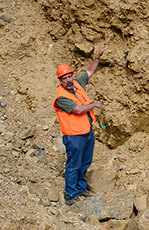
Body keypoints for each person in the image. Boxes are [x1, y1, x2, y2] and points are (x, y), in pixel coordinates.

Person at [53, 46, 109, 205]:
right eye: (64, 78)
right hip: (74, 136)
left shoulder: (77, 83)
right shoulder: (61, 97)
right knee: (73, 165)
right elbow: (77, 110)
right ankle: (71, 195)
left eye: (69, 76)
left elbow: (89, 72)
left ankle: (81, 188)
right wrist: (94, 105)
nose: (68, 80)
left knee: (85, 162)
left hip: (87, 132)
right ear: (60, 80)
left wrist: (97, 58)